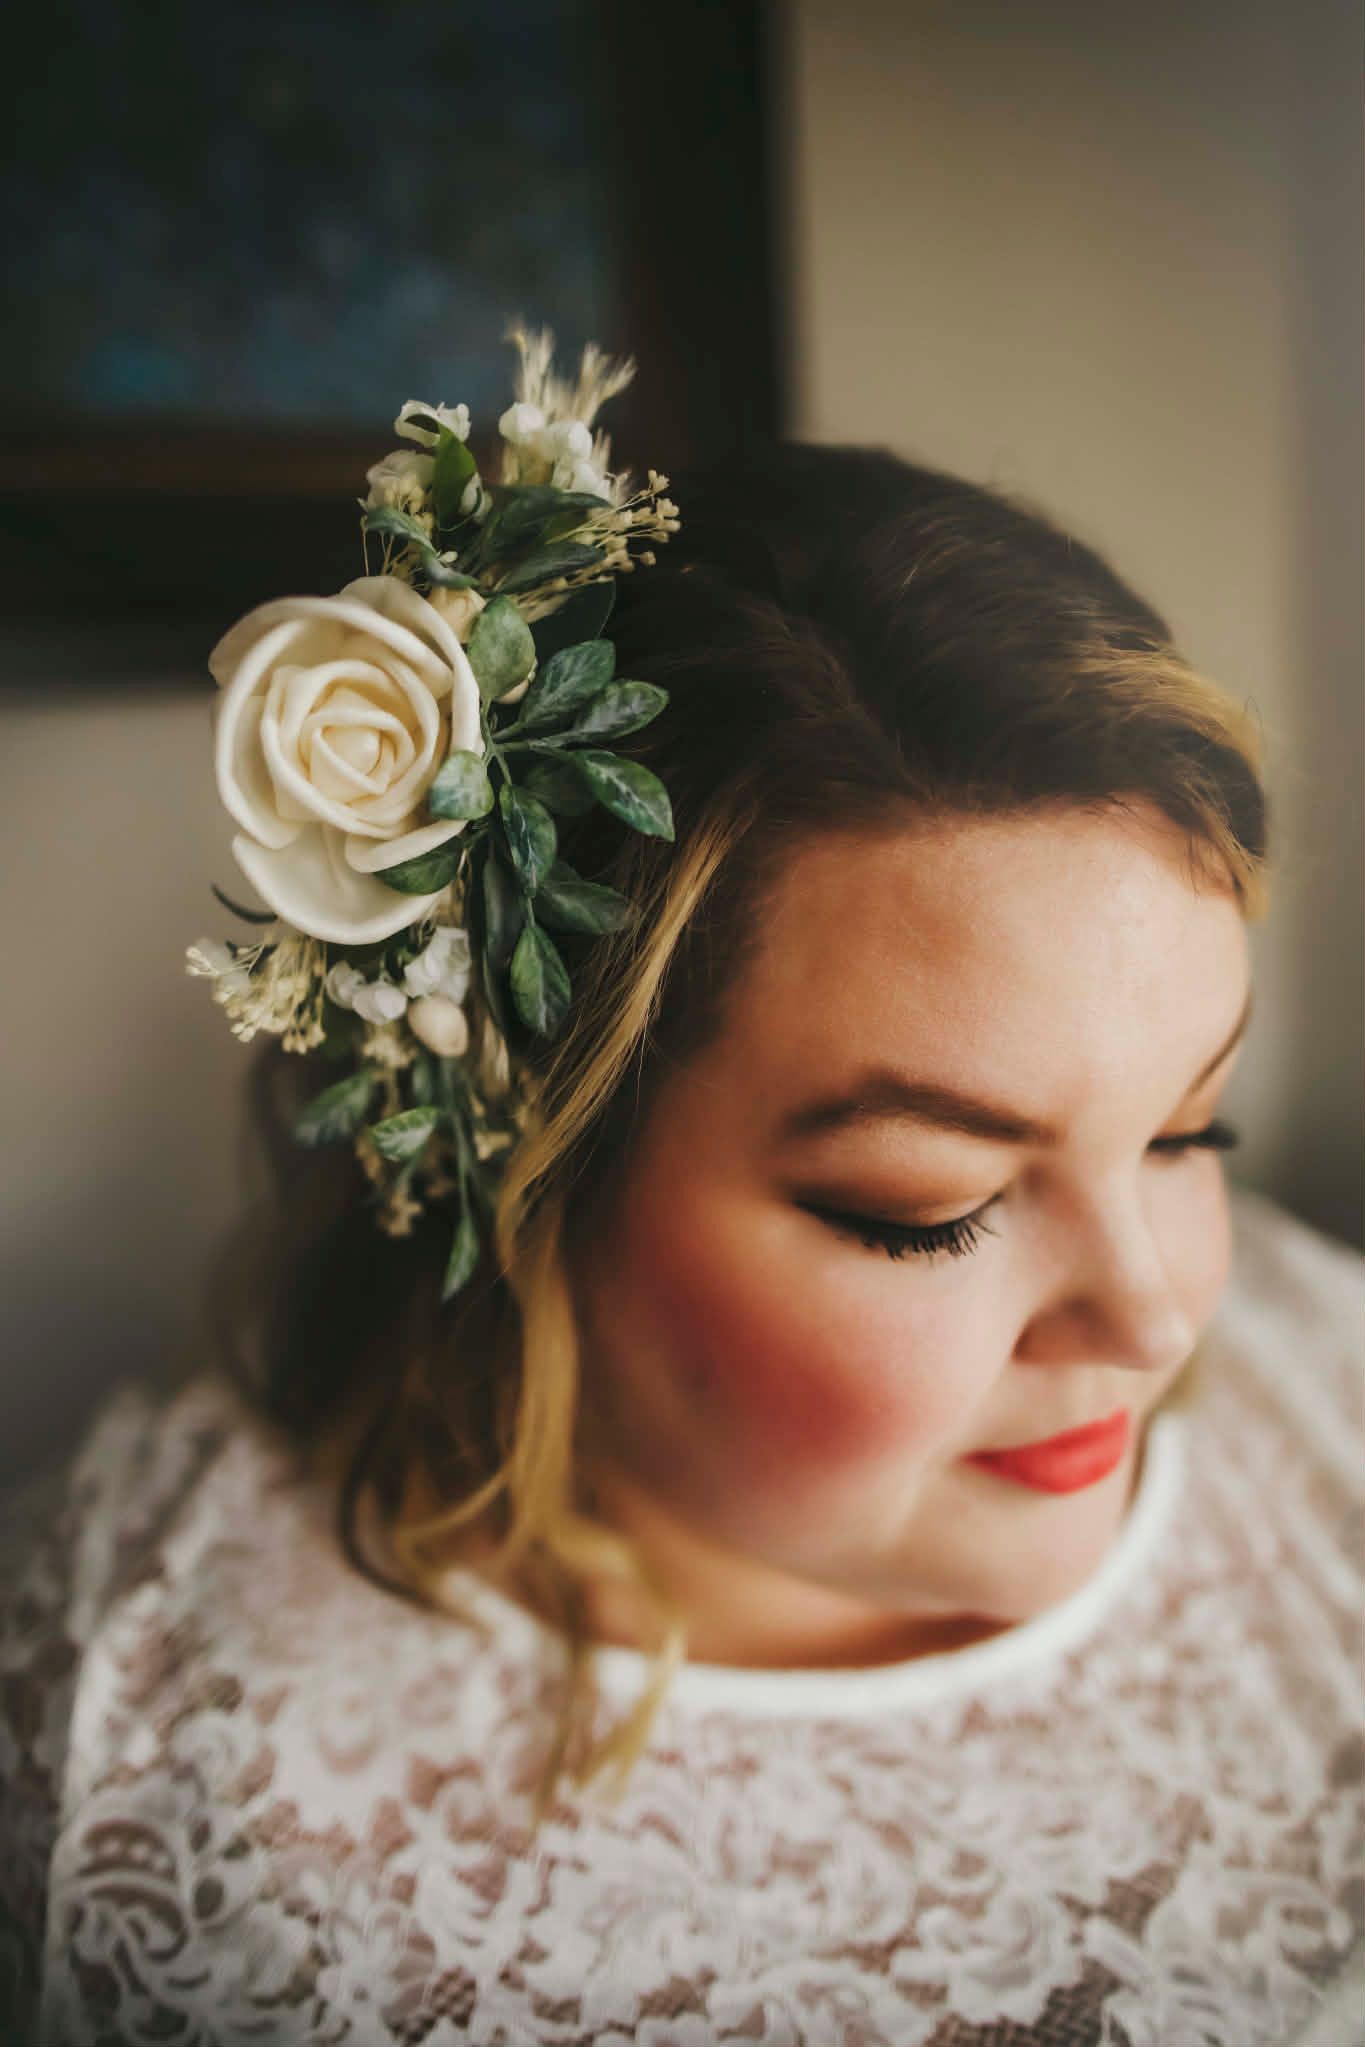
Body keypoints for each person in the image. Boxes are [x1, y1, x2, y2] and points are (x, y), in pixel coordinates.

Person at [2, 417, 1362, 2045]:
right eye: (925, 1212)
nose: (1152, 1323)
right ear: (528, 1187)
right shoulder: (148, 1770)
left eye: (1181, 1131)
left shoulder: (1329, 1396)